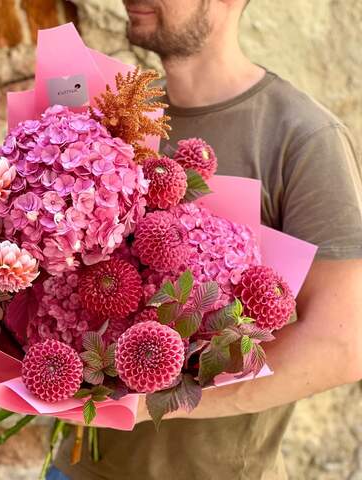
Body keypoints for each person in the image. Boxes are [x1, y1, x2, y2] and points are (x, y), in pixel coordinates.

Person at [50, 0, 362, 478]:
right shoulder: (115, 112)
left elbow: (341, 346)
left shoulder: (302, 138)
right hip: (75, 470)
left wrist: (153, 402)